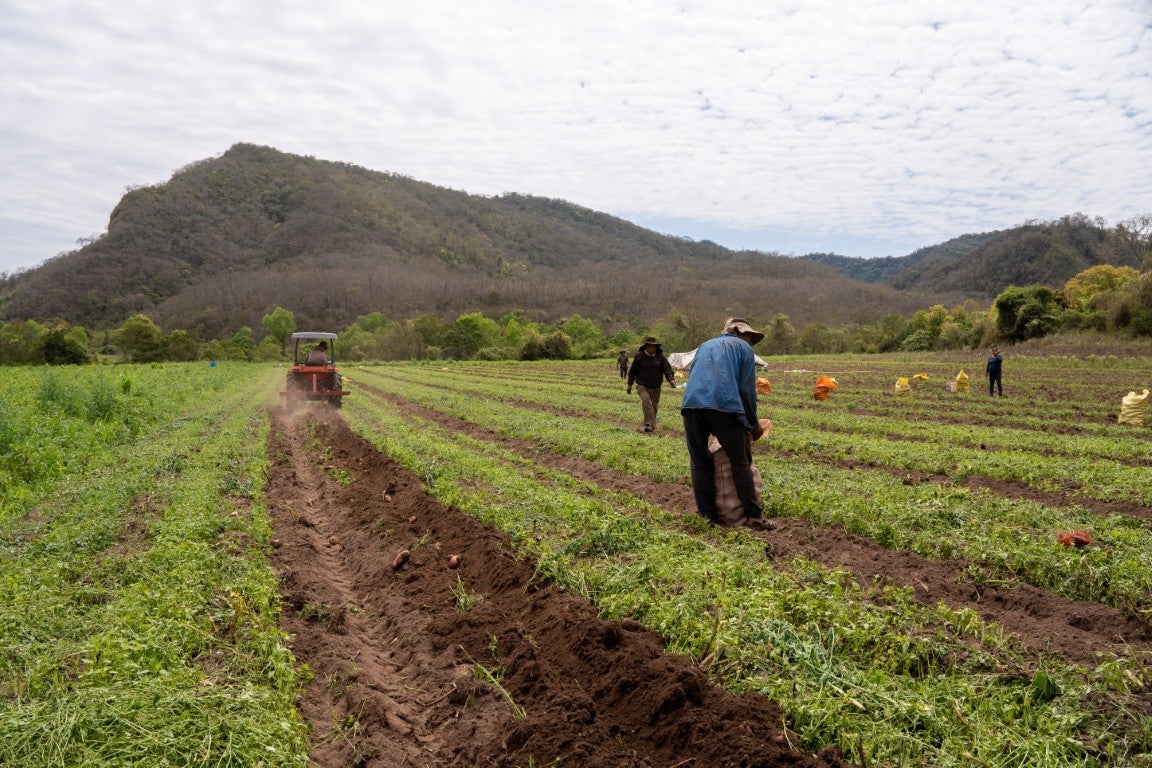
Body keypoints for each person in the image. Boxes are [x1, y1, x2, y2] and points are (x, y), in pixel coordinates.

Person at [680, 318, 768, 528]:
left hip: (691, 405)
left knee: (700, 462)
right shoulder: (744, 349)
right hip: (723, 405)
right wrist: (752, 424)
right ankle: (754, 516)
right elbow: (747, 391)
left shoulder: (705, 345)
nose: (750, 342)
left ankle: (707, 516)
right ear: (742, 333)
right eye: (750, 338)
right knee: (740, 462)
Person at [626, 336, 677, 433]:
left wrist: (671, 380)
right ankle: (648, 424)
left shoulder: (660, 357)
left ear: (656, 347)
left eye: (654, 347)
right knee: (646, 402)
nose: (652, 349)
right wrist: (629, 385)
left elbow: (668, 370)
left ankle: (651, 425)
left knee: (654, 406)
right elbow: (632, 371)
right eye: (650, 347)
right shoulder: (639, 356)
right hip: (642, 385)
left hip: (656, 386)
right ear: (646, 347)